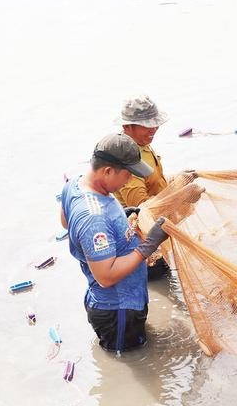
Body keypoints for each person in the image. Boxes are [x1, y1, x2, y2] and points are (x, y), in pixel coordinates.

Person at [60, 133, 171, 353]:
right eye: (127, 174)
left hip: (120, 302)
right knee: (131, 359)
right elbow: (106, 277)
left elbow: (66, 222)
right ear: (108, 171)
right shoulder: (94, 218)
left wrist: (120, 218)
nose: (129, 180)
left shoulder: (75, 185)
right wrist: (148, 246)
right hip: (117, 310)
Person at [112, 94, 171, 208]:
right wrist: (180, 196)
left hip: (163, 212)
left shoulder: (142, 142)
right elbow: (141, 208)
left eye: (156, 124)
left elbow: (152, 182)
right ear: (127, 127)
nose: (154, 129)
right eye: (147, 125)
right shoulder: (128, 159)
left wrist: (179, 179)